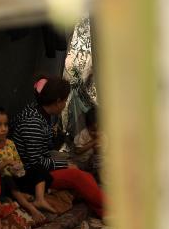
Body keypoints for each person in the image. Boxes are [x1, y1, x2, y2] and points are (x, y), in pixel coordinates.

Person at [12, 76, 105, 218]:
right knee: (78, 176)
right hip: (31, 175)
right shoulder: (32, 121)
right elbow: (35, 163)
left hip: (40, 166)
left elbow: (45, 150)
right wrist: (64, 165)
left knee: (83, 175)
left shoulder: (42, 113)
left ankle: (103, 212)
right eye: (65, 100)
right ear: (57, 101)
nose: (65, 104)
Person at [0, 105, 46, 223]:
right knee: (7, 180)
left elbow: (18, 162)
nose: (3, 129)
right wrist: (6, 163)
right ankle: (31, 208)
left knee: (38, 169)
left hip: (15, 179)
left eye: (6, 125)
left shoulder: (9, 143)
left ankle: (39, 199)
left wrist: (17, 169)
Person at [72, 106, 101, 176]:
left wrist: (97, 149)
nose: (96, 133)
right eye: (93, 130)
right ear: (87, 127)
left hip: (91, 163)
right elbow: (78, 151)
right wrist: (93, 142)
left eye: (99, 130)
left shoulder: (102, 135)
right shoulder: (83, 134)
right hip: (80, 162)